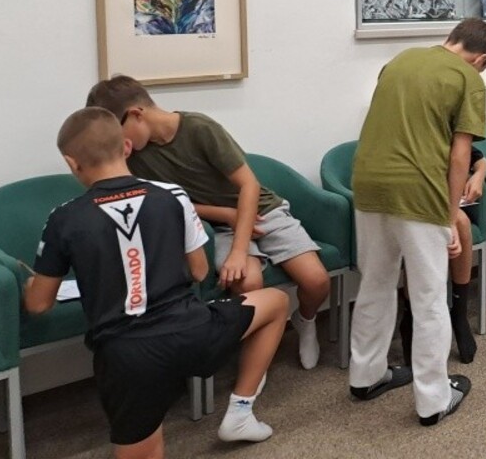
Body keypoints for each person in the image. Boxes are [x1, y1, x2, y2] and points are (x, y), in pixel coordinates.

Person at [23, 108, 288, 458]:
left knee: (148, 449)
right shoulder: (173, 195)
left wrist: (29, 285)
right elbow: (199, 271)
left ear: (72, 163)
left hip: (128, 356)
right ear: (126, 147)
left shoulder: (64, 217)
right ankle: (241, 409)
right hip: (194, 332)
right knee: (277, 302)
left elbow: (39, 304)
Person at [86, 77, 330, 370]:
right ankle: (255, 360)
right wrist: (226, 215)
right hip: (215, 225)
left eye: (118, 132)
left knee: (316, 281)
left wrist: (239, 249)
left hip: (262, 210)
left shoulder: (199, 128)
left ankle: (305, 321)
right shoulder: (134, 157)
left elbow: (249, 185)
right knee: (248, 282)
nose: (119, 144)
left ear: (137, 114)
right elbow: (167, 202)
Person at [349, 18, 486, 425]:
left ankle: (365, 376)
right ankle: (433, 399)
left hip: (368, 181)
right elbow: (459, 156)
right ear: (481, 59)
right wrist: (450, 217)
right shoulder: (468, 79)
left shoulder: (399, 61)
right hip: (417, 189)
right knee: (429, 295)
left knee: (375, 283)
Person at [398, 148, 486, 365]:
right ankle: (411, 317)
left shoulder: (449, 134)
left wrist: (478, 175)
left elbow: (480, 160)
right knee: (425, 229)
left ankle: (459, 313)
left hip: (442, 198)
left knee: (462, 222)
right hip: (406, 195)